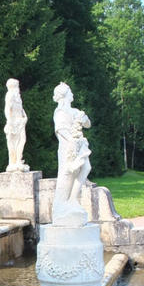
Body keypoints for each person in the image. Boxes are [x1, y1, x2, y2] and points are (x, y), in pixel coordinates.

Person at [52, 82, 92, 225]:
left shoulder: (74, 111)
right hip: (67, 147)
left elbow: (88, 124)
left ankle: (73, 199)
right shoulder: (60, 112)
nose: (72, 94)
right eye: (70, 92)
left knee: (86, 168)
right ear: (65, 95)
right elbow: (60, 129)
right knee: (67, 175)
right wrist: (72, 141)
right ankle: (63, 205)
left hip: (78, 145)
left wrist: (84, 118)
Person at [3, 78, 29, 172]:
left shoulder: (17, 96)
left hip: (20, 122)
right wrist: (9, 121)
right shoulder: (10, 95)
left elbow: (21, 109)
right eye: (17, 86)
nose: (18, 88)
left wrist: (24, 117)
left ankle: (18, 160)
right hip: (13, 122)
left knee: (22, 140)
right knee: (14, 143)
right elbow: (7, 109)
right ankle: (14, 162)